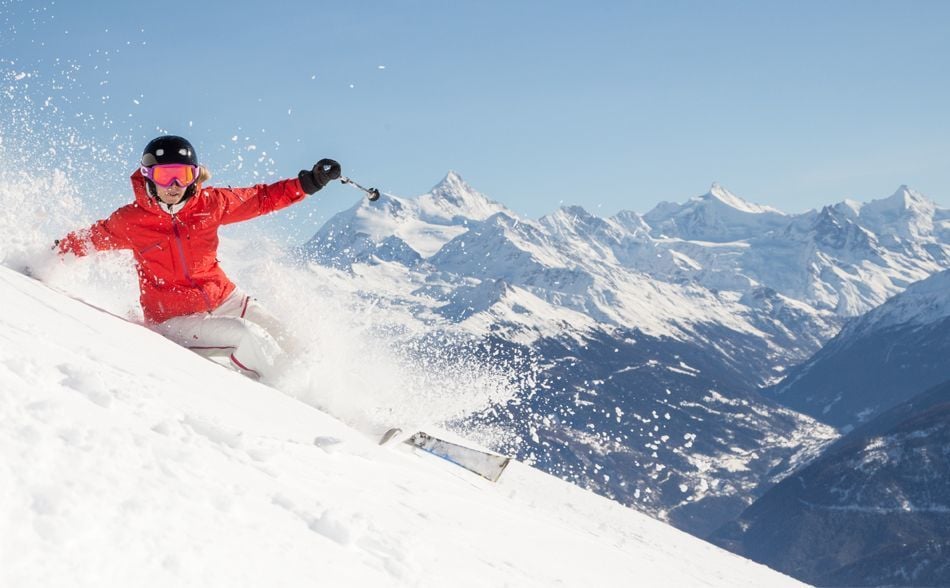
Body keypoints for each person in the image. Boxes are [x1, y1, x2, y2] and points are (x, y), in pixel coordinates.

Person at [56, 135, 341, 380]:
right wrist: (48, 256)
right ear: (148, 176)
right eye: (165, 175)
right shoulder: (132, 220)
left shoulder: (210, 204)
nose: (175, 184)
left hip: (225, 297)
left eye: (184, 174)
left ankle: (338, 404)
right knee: (246, 336)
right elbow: (92, 238)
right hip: (174, 319)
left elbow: (261, 198)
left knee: (289, 340)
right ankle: (294, 399)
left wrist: (310, 182)